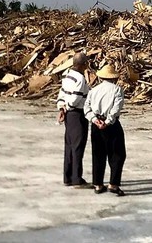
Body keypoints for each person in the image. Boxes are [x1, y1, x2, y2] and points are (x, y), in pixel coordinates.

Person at [84, 64, 126, 196]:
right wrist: (107, 122)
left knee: (98, 154)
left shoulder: (93, 90)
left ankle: (98, 184)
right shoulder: (117, 90)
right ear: (114, 78)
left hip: (96, 124)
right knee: (117, 154)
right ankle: (113, 184)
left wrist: (94, 120)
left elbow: (87, 108)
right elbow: (116, 108)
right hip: (111, 125)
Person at [56, 52, 91, 188]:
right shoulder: (80, 79)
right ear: (83, 65)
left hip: (69, 114)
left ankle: (67, 176)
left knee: (69, 145)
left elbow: (62, 93)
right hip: (77, 113)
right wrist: (69, 107)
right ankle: (76, 177)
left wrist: (62, 108)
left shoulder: (67, 75)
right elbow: (75, 99)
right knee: (77, 145)